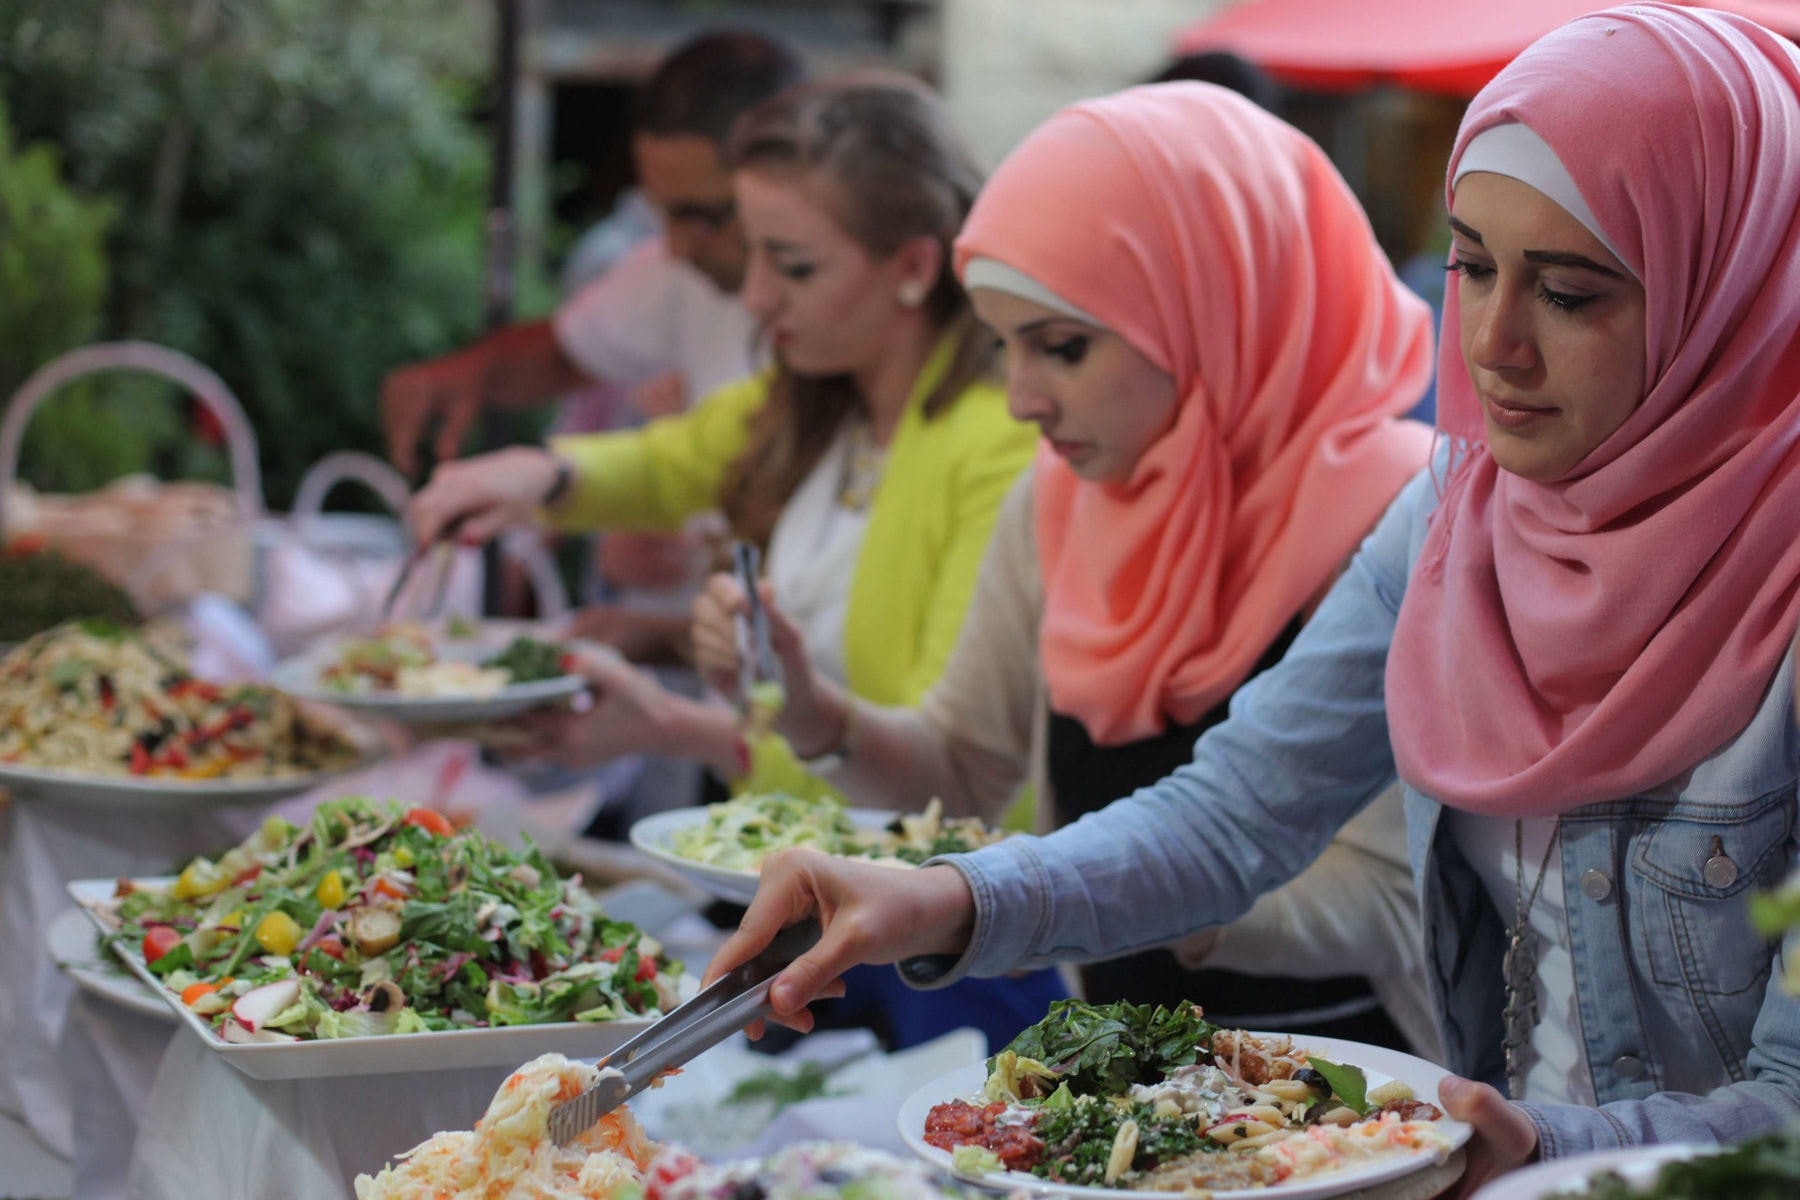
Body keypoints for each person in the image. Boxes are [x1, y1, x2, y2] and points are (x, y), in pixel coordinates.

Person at [706, 5, 1800, 1194]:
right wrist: (941, 900)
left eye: (1572, 293)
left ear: (1738, 287)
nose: (1491, 345)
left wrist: (1547, 1144)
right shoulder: (1456, 523)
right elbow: (1236, 815)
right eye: (1472, 265)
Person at [690, 82, 1440, 1054]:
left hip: (1363, 1093)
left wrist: (1106, 885)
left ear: (1213, 307)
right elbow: (964, 763)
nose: (1022, 401)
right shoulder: (1059, 501)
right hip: (1108, 1071)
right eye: (1006, 348)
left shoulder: (1404, 522)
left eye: (1064, 348)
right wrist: (811, 711)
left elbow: (1391, 897)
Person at [407, 72, 1052, 1050]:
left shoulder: (995, 443)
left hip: (953, 956)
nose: (753, 295)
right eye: (754, 256)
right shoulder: (820, 395)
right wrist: (530, 474)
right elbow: (668, 460)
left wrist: (672, 726)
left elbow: (937, 774)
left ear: (914, 267)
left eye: (789, 266)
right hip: (817, 926)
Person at [380, 29, 806, 481]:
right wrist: (470, 375)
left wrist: (549, 482)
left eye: (704, 217)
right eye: (659, 213)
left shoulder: (855, 333)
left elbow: (684, 463)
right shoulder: (681, 275)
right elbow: (572, 353)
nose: (677, 249)